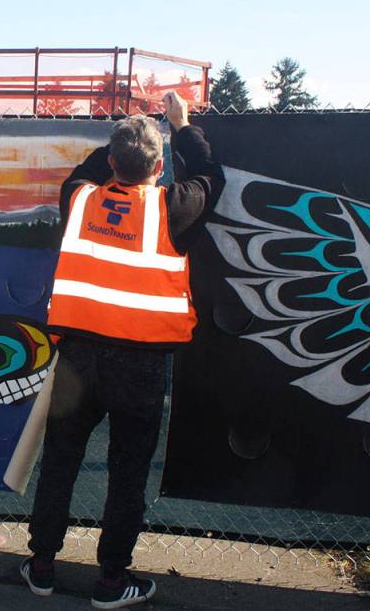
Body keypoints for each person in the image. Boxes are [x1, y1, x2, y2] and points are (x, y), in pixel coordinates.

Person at [20, 91, 225, 608]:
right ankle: (112, 582)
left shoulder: (80, 198)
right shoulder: (171, 209)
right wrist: (180, 126)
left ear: (111, 161)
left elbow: (87, 170)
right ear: (160, 167)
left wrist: (123, 133)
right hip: (141, 364)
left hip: (79, 358)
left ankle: (41, 566)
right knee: (128, 472)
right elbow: (211, 176)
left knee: (60, 462)